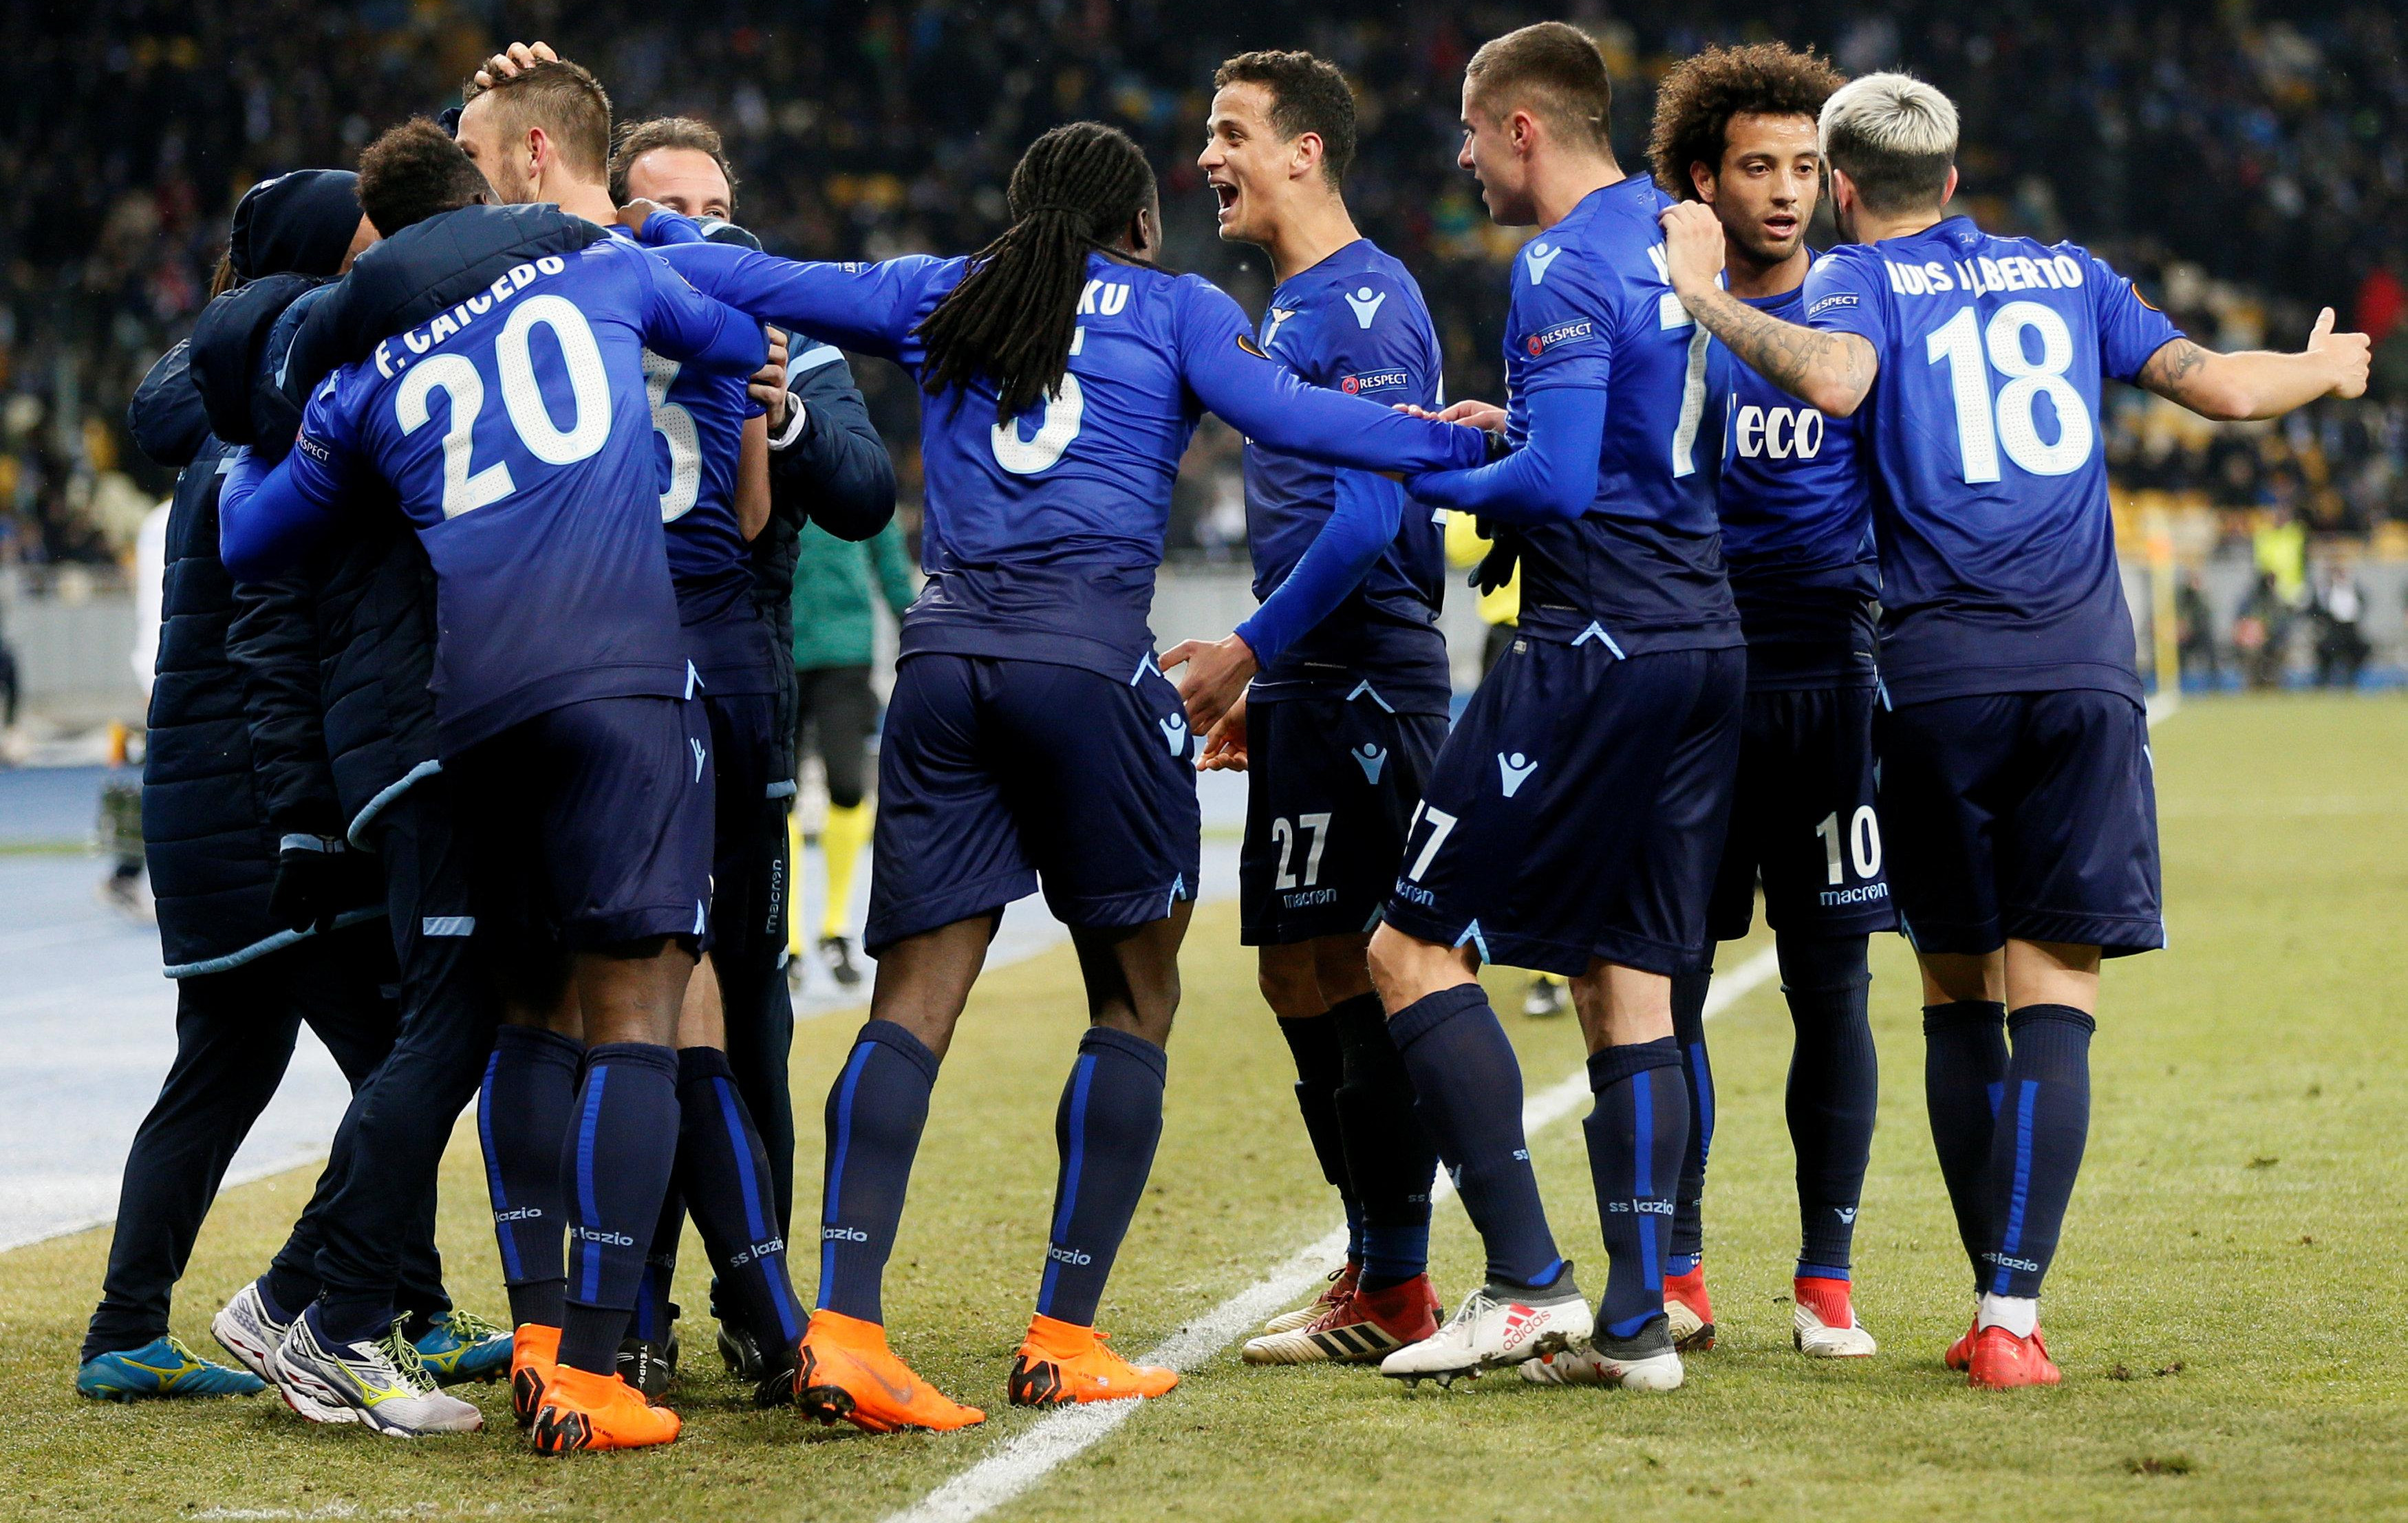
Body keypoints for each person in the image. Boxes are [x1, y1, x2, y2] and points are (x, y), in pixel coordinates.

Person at [623, 117, 1486, 1430]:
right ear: (1138, 223)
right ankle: (1063, 1333)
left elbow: (753, 274)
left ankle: (844, 1329)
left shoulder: (944, 289)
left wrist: (630, 230)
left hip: (944, 664)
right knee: (1135, 992)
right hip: (1089, 664)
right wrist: (1470, 443)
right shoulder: (1182, 308)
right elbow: (1307, 420)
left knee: (912, 999)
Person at [1660, 70, 2369, 1387]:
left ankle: (1984, 1296)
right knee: (2059, 989)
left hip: (1934, 681)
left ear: (1846, 187)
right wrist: (2324, 369)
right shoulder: (2069, 272)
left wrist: (1702, 295)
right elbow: (2221, 388)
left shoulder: (1856, 280)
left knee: (1954, 990)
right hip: (2086, 674)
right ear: (1955, 175)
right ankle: (2009, 1311)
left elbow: (1835, 379)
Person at [219, 120, 766, 1449]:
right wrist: (668, 238)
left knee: (514, 1014)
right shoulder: (597, 269)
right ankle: (592, 1362)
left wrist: (267, 424)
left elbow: (249, 534)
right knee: (634, 1013)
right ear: (486, 198)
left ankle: (506, 1327)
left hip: (471, 713)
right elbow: (739, 340)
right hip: (621, 682)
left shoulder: (368, 371)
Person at [1364, 22, 1736, 1396]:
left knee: (1409, 948)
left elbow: (1563, 484)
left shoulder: (1559, 261)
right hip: (1701, 635)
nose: (1463, 159)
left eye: (1471, 132)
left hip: (1590, 639)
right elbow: (1616, 435)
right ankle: (1638, 1325)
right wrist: (1509, 434)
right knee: (1626, 975)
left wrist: (1423, 471)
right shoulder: (1677, 236)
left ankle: (1526, 1282)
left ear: (1522, 126)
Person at [76, 170, 430, 1405]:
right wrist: (311, 821)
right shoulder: (285, 416)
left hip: (203, 798)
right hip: (258, 803)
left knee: (226, 1064)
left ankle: (126, 1325)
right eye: (366, 249)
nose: (384, 267)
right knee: (407, 1051)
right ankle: (320, 1301)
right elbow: (278, 635)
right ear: (324, 264)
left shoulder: (226, 396)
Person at [1170, 48, 1445, 1368]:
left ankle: (1399, 1277)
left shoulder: (1368, 303)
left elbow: (1375, 511)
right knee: (1296, 967)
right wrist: (1269, 673)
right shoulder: (1286, 308)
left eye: (1231, 132)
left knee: (1366, 964)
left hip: (1369, 676)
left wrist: (1247, 649)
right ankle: (1372, 1256)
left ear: (1305, 150)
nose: (1208, 157)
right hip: (1307, 680)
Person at [1645, 42, 1888, 1361]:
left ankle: (1826, 1276)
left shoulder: (1858, 315)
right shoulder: (1652, 311)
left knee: (1832, 986)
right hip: (1695, 687)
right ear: (1703, 179)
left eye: (1804, 166)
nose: (1787, 190)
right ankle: (1679, 1266)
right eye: (1758, 166)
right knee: (1671, 984)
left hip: (1828, 687)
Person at [787, 514, 914, 991]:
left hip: (846, 653)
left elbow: (891, 564)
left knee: (846, 785)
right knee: (781, 794)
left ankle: (835, 927)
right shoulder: (770, 475)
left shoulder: (858, 479)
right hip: (780, 647)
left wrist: (915, 631)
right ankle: (789, 939)